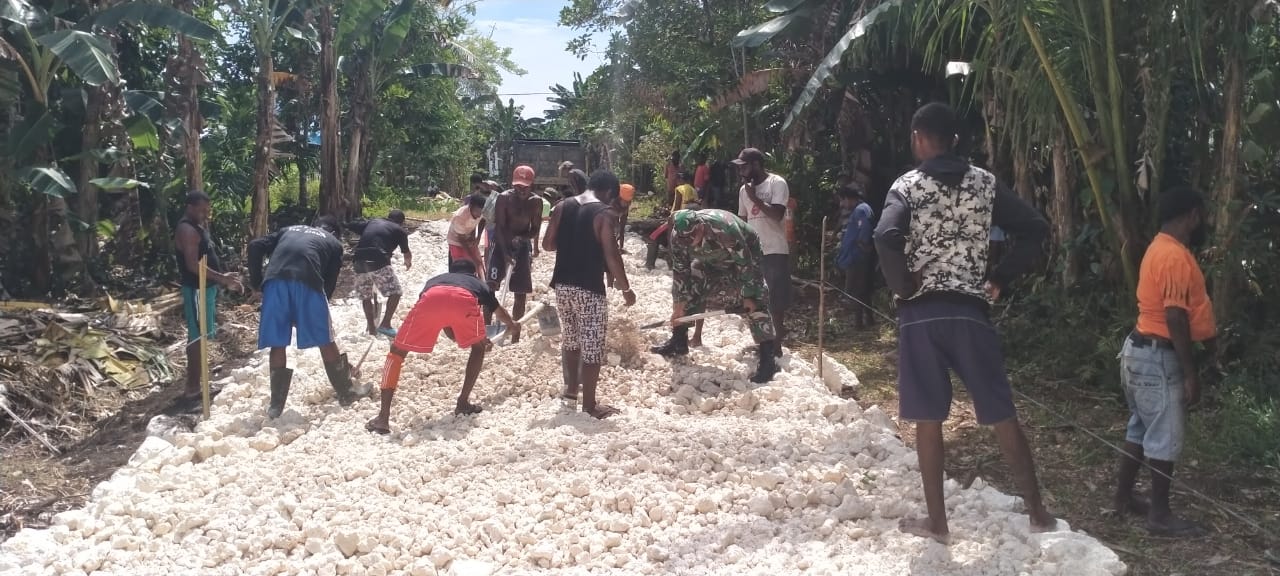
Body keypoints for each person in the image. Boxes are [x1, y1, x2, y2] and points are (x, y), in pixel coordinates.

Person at [873, 102, 1055, 544]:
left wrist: (901, 285)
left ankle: (938, 524)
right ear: (954, 139)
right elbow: (1035, 228)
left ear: (918, 138)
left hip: (920, 315)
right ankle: (1038, 513)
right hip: (970, 312)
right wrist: (999, 276)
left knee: (929, 420)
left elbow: (885, 235)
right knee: (1001, 413)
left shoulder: (908, 186)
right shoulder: (985, 183)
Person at [1112, 186, 1216, 537]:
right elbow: (1175, 316)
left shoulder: (1159, 247)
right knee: (1165, 435)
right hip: (1158, 356)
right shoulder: (1172, 256)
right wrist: (1190, 373)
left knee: (1140, 429)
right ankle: (1159, 515)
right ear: (1192, 216)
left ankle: (1123, 499)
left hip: (1139, 351)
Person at [365, 260, 519, 433]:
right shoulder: (477, 284)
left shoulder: (436, 280)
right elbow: (499, 312)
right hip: (464, 300)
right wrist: (511, 326)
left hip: (430, 299)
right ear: (473, 273)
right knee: (478, 349)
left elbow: (442, 317)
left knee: (396, 353)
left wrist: (470, 336)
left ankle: (383, 418)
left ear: (451, 272)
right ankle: (462, 403)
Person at [248, 217, 372, 418]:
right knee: (325, 340)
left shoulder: (287, 228)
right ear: (333, 233)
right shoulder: (333, 243)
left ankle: (275, 406)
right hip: (308, 283)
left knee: (277, 344)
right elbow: (328, 286)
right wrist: (314, 315)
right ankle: (347, 392)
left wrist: (256, 283)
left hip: (274, 282)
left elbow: (255, 245)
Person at [544, 170, 637, 419]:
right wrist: (626, 289)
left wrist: (571, 240)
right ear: (608, 192)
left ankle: (571, 393)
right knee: (592, 346)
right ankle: (590, 405)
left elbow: (548, 244)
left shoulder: (562, 206)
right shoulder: (604, 214)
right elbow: (611, 254)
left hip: (562, 284)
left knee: (572, 340)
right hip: (589, 288)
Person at [651, 209, 779, 383]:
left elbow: (745, 265)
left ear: (701, 227)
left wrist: (748, 295)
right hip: (710, 260)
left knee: (757, 296)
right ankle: (679, 341)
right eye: (684, 239)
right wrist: (679, 307)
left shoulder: (725, 230)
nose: (688, 242)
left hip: (745, 256)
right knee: (693, 279)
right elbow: (681, 271)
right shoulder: (679, 236)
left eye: (692, 237)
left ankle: (767, 359)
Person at [173, 191, 243, 412]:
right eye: (202, 209)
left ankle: (199, 382)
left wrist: (222, 277)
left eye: (207, 209)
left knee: (203, 334)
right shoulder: (187, 229)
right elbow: (193, 265)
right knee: (197, 336)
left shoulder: (198, 227)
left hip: (207, 289)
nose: (205, 213)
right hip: (196, 290)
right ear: (190, 207)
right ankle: (192, 388)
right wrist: (222, 278)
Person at [734, 147, 791, 356]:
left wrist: (755, 198)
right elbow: (742, 221)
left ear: (756, 165)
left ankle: (776, 344)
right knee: (756, 298)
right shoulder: (743, 191)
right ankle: (763, 341)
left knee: (775, 299)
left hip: (774, 249)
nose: (741, 171)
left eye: (744, 166)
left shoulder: (777, 183)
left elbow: (777, 214)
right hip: (753, 253)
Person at [488, 165, 544, 342]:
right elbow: (499, 227)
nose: (521, 190)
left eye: (525, 187)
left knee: (520, 293)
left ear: (531, 185)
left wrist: (522, 239)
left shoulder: (536, 202)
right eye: (518, 186)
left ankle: (515, 337)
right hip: (501, 247)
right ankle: (486, 332)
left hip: (521, 249)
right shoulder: (504, 199)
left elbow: (535, 229)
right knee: (490, 289)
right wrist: (505, 253)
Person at [348, 210, 413, 337]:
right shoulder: (399, 230)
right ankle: (385, 324)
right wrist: (408, 263)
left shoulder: (373, 222)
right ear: (402, 222)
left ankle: (371, 328)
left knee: (366, 296)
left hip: (358, 261)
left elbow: (352, 225)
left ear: (387, 217)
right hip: (378, 260)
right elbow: (406, 253)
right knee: (396, 293)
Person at [836, 184, 877, 330]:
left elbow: (865, 229)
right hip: (856, 255)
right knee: (863, 289)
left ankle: (858, 323)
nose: (841, 204)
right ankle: (869, 320)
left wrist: (862, 244)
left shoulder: (861, 210)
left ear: (848, 198)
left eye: (842, 200)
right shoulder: (862, 209)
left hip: (857, 257)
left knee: (855, 290)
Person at [447, 194, 487, 274]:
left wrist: (477, 237)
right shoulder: (460, 216)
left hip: (468, 237)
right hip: (456, 241)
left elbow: (483, 220)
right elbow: (461, 238)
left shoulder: (481, 211)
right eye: (477, 212)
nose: (479, 215)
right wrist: (471, 256)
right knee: (461, 266)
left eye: (481, 212)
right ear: (471, 206)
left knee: (479, 264)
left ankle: (482, 282)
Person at [614, 183, 635, 253]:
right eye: (625, 201)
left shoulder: (627, 201)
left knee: (621, 229)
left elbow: (622, 225)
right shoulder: (612, 200)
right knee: (614, 228)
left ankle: (620, 247)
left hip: (622, 212)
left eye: (628, 202)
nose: (627, 203)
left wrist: (621, 247)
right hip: (613, 212)